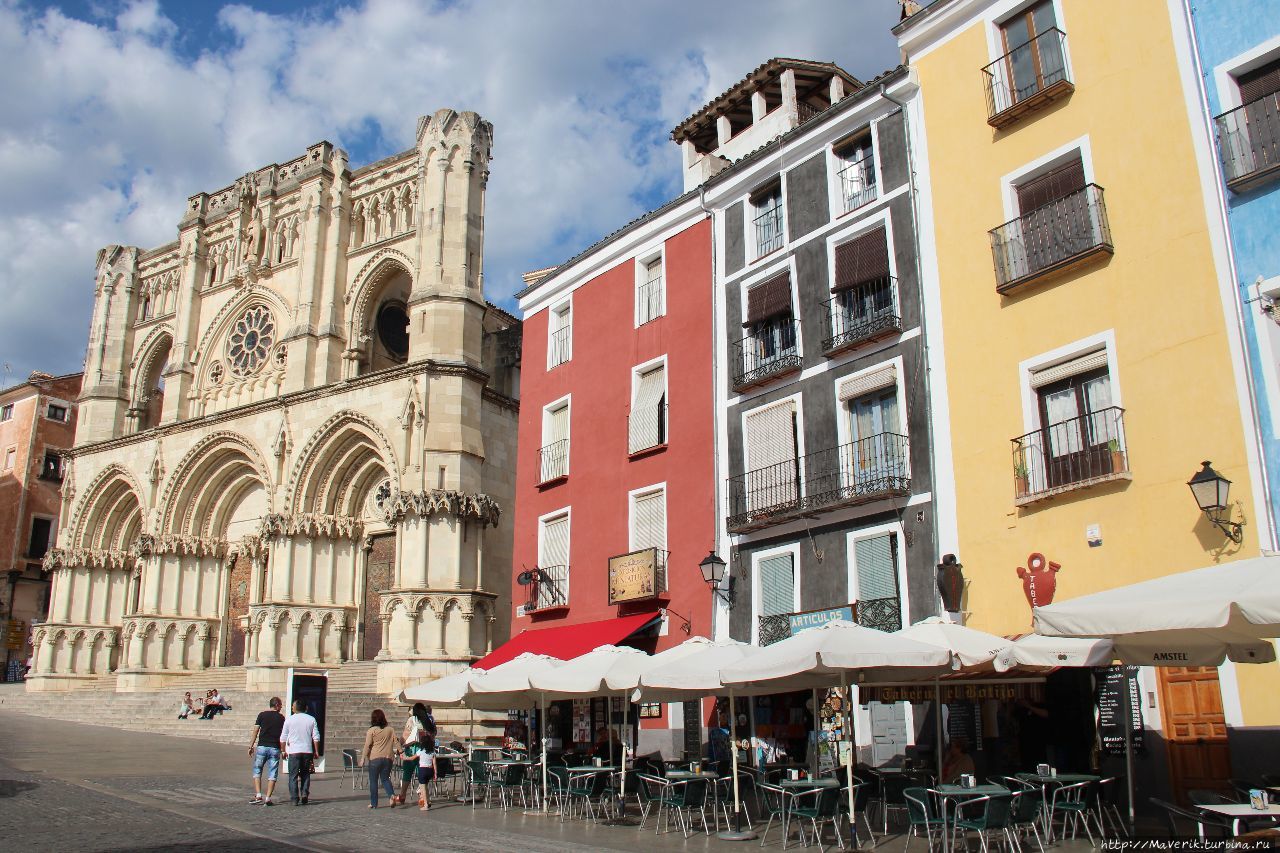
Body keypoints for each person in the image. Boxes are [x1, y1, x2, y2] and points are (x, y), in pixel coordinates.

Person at [281, 698, 321, 806]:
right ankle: (304, 794)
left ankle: (294, 798)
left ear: (295, 708)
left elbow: (283, 737)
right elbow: (316, 737)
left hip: (294, 751)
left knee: (293, 776)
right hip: (307, 751)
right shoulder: (311, 719)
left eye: (293, 706)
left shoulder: (289, 720)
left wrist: (283, 750)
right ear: (305, 708)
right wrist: (316, 751)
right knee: (305, 774)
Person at [249, 697, 285, 806]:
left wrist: (251, 746)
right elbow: (283, 736)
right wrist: (283, 750)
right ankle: (268, 798)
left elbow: (255, 731)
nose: (281, 707)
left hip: (262, 746)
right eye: (281, 705)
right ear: (277, 705)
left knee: (257, 770)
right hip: (275, 748)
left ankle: (259, 795)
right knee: (273, 773)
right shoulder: (281, 718)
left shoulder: (262, 715)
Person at [362, 709, 398, 808]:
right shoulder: (390, 729)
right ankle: (391, 795)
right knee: (385, 779)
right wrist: (401, 751)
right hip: (388, 758)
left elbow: (367, 745)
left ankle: (374, 803)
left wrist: (362, 758)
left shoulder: (371, 731)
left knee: (373, 781)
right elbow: (396, 741)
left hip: (374, 758)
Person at [408, 703, 437, 810]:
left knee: (421, 780)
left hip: (417, 749)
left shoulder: (413, 719)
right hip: (429, 750)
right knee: (425, 781)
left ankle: (423, 800)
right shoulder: (430, 718)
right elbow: (435, 732)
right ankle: (424, 799)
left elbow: (408, 732)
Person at [394, 708, 421, 807]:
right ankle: (422, 796)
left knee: (407, 773)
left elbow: (406, 734)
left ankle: (403, 795)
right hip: (424, 749)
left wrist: (400, 745)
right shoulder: (429, 719)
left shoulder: (412, 720)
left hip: (412, 749)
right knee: (421, 773)